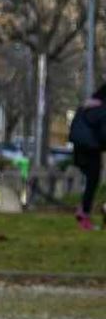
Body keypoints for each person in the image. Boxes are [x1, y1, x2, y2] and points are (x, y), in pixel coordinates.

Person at [70, 83, 104, 231]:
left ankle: (82, 210)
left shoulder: (87, 107)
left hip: (80, 147)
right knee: (92, 181)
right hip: (90, 148)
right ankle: (84, 213)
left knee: (90, 181)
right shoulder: (101, 110)